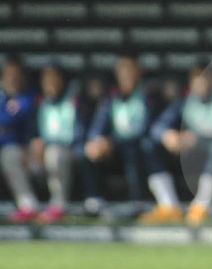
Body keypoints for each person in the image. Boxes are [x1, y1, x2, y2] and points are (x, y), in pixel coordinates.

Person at [85, 56, 179, 222]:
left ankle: (152, 204)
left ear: (139, 72)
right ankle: (94, 201)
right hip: (115, 152)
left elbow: (153, 127)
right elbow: (98, 127)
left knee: (142, 147)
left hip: (143, 149)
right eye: (123, 70)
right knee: (86, 150)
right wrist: (97, 141)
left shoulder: (150, 96)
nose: (127, 75)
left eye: (131, 70)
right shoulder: (110, 100)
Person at [150, 67, 212, 226]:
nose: (202, 84)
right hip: (187, 153)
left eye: (206, 79)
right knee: (150, 146)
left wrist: (196, 138)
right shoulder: (185, 101)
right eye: (197, 80)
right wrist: (168, 136)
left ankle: (201, 206)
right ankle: (169, 206)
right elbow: (157, 128)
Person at [29, 64, 92, 223]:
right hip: (43, 155)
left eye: (54, 78)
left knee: (54, 153)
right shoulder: (41, 103)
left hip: (71, 151)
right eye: (46, 79)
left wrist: (48, 144)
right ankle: (28, 206)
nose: (50, 82)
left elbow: (78, 134)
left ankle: (58, 205)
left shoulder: (73, 101)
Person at [0, 59, 39, 223]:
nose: (12, 78)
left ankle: (28, 205)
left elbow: (13, 119)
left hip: (23, 149)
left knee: (10, 155)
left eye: (16, 75)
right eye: (9, 75)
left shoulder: (29, 97)